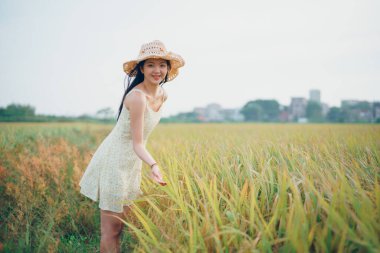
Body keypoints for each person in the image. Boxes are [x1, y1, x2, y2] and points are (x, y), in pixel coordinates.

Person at [78, 40, 185, 252]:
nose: (157, 70)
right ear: (141, 69)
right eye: (151, 65)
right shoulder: (137, 98)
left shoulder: (163, 95)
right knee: (111, 229)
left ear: (168, 68)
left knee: (122, 226)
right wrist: (154, 165)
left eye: (162, 65)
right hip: (116, 160)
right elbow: (137, 142)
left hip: (133, 161)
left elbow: (141, 140)